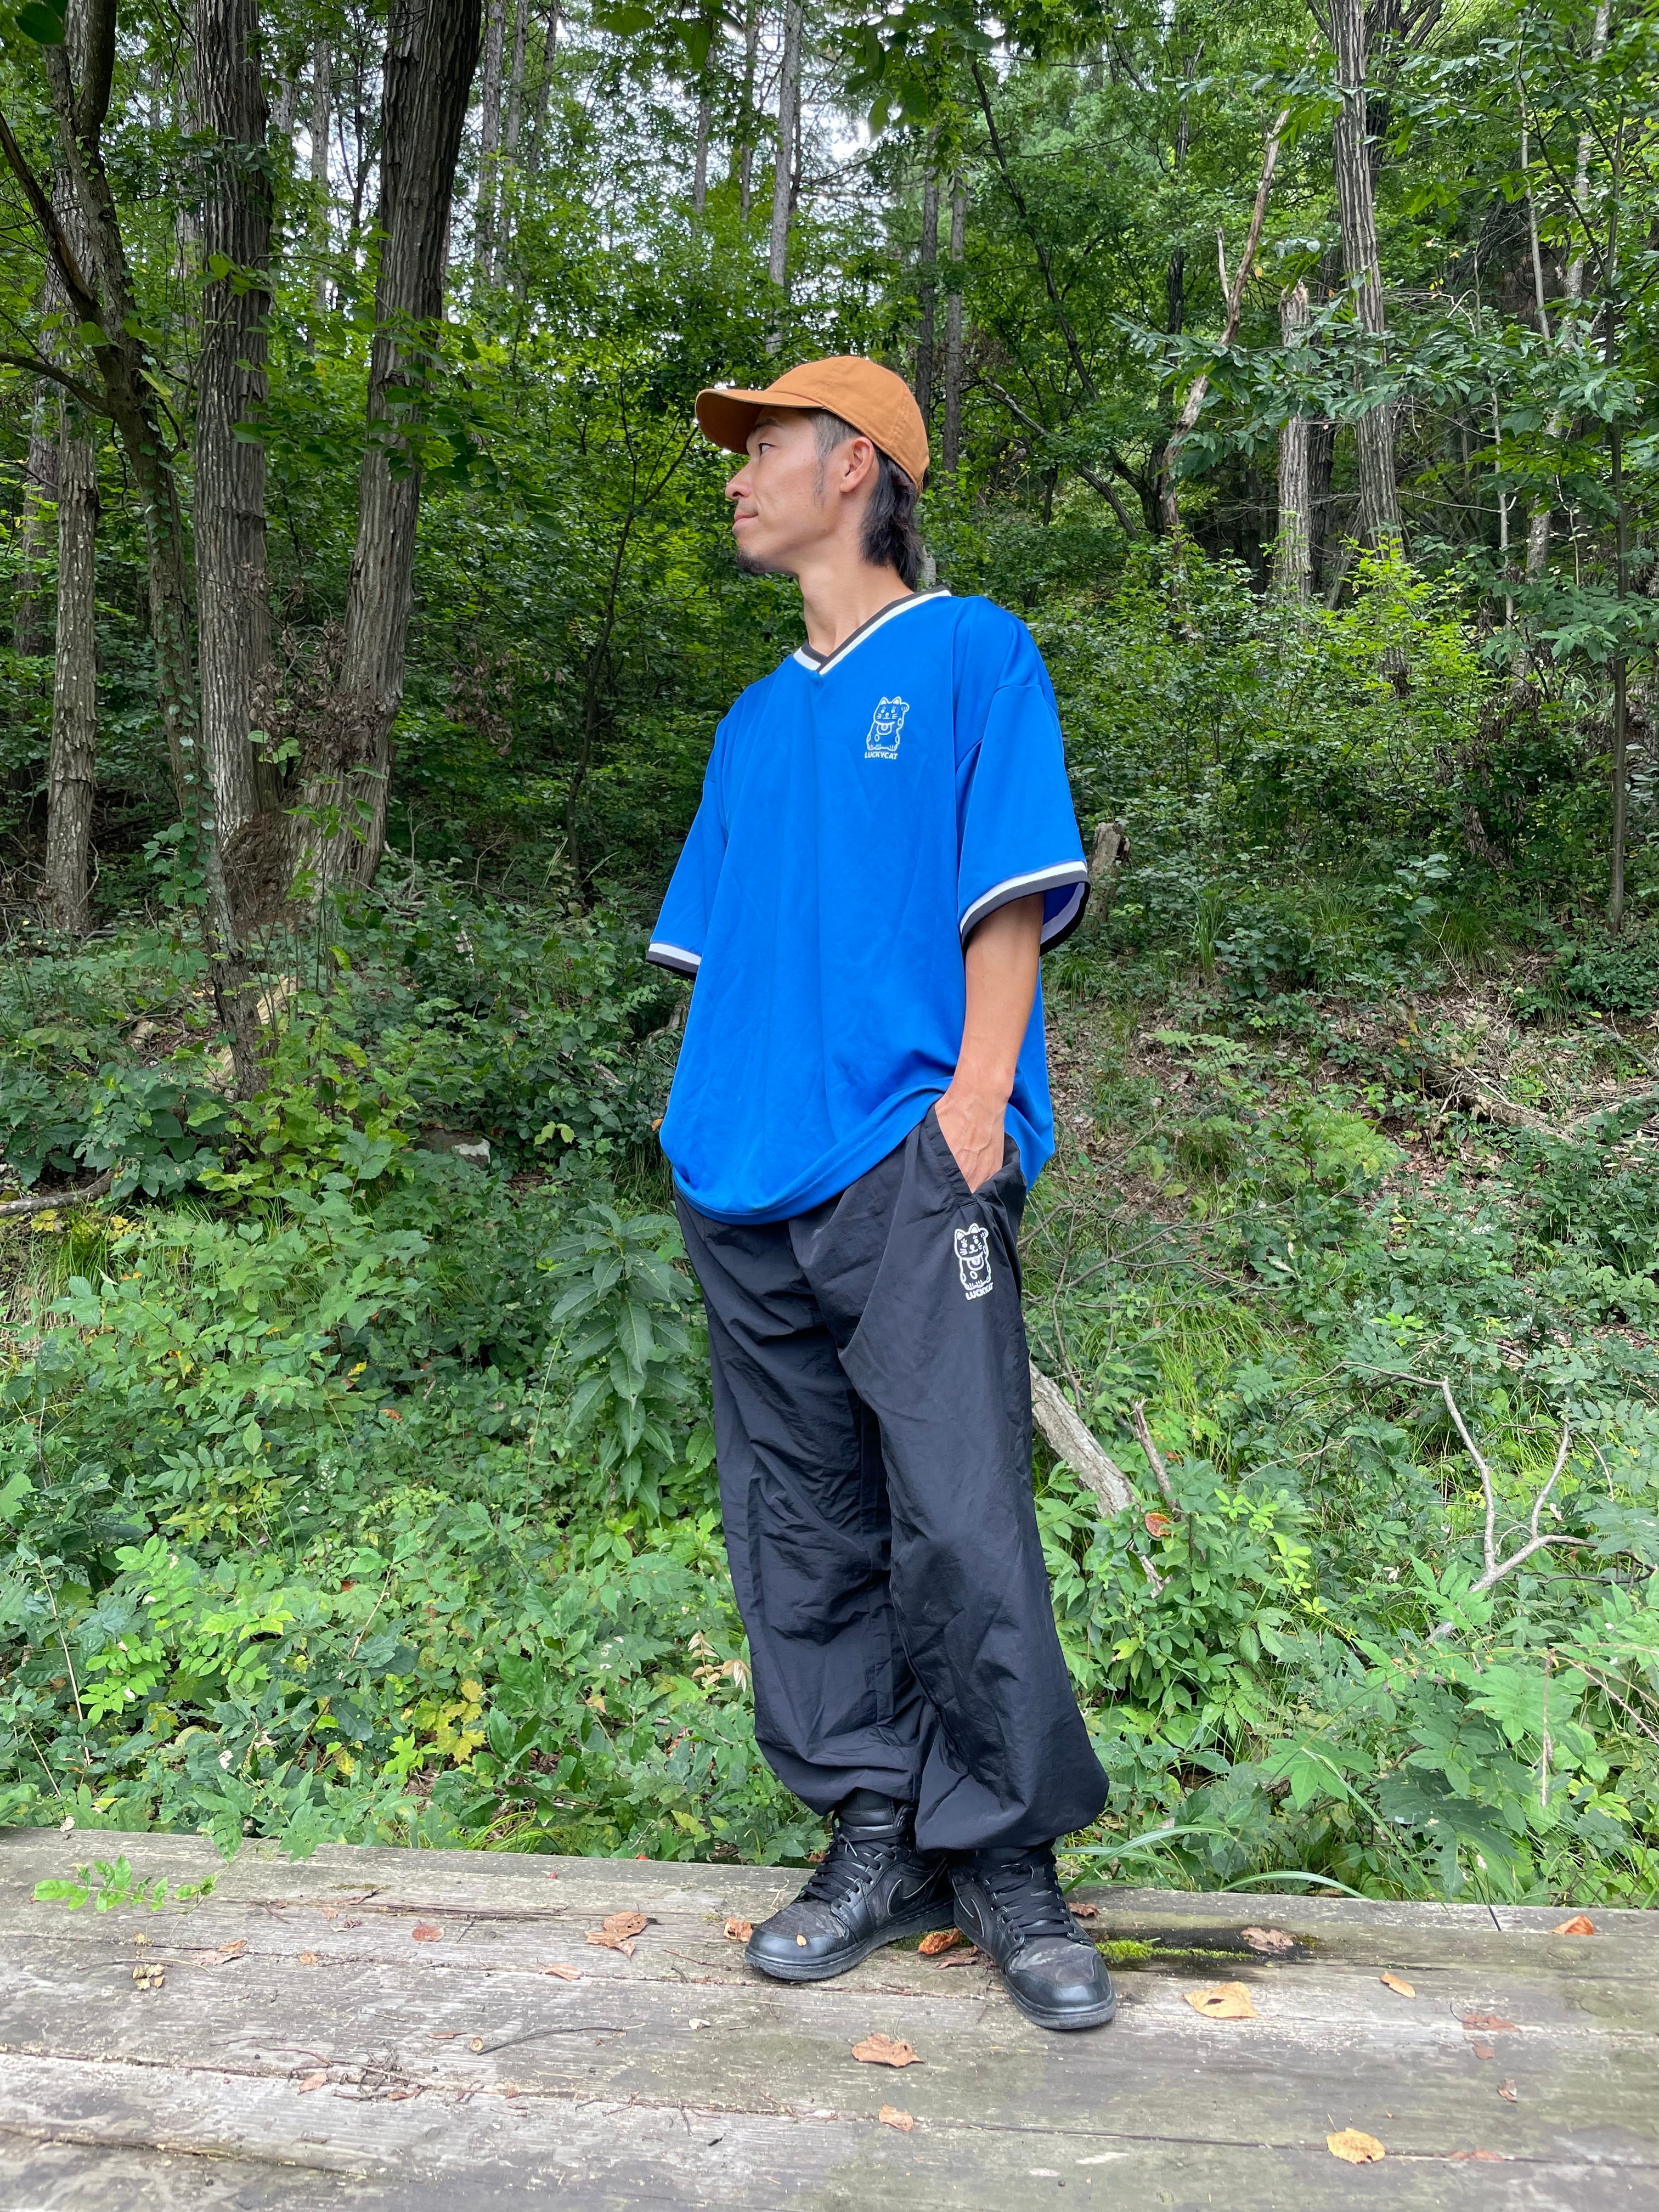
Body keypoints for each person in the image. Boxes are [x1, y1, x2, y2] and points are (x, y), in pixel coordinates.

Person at [647, 356, 1113, 2033]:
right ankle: (875, 1825)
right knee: (801, 1525)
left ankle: (1005, 1856)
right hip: (743, 1177)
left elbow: (1009, 899)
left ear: (856, 467)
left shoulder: (975, 652)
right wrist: (699, 1130)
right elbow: (722, 954)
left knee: (959, 1513)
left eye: (763, 446)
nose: (736, 475)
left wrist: (977, 1107)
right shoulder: (752, 723)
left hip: (912, 1161)